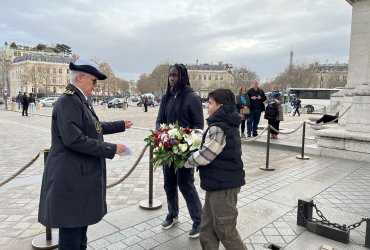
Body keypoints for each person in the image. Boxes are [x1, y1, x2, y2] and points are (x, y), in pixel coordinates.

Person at [38, 59, 133, 250]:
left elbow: (93, 128)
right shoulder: (68, 101)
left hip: (78, 176)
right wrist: (111, 149)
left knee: (80, 232)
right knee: (72, 234)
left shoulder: (78, 99)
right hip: (71, 178)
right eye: (94, 80)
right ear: (80, 78)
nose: (96, 85)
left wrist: (120, 125)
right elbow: (74, 139)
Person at [185, 88, 246, 250]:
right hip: (217, 183)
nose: (207, 106)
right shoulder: (223, 123)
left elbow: (206, 155)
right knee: (207, 228)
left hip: (224, 186)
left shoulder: (219, 127)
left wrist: (186, 160)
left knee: (225, 229)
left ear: (221, 106)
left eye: (210, 103)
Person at [156, 63, 204, 238]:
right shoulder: (166, 97)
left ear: (182, 76)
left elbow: (199, 126)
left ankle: (199, 220)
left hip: (185, 150)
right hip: (168, 148)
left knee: (186, 185)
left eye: (175, 75)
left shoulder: (193, 97)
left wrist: (185, 140)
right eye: (170, 75)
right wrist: (163, 136)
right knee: (169, 184)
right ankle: (173, 214)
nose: (172, 78)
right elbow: (159, 120)